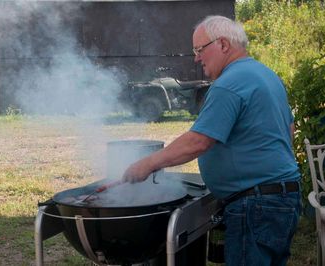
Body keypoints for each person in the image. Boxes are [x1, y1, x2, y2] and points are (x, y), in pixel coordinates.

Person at [122, 15, 301, 266]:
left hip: (256, 203)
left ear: (224, 45)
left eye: (199, 49)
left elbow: (198, 141)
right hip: (283, 197)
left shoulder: (228, 84)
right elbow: (289, 130)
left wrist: (147, 164)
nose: (196, 57)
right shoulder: (266, 75)